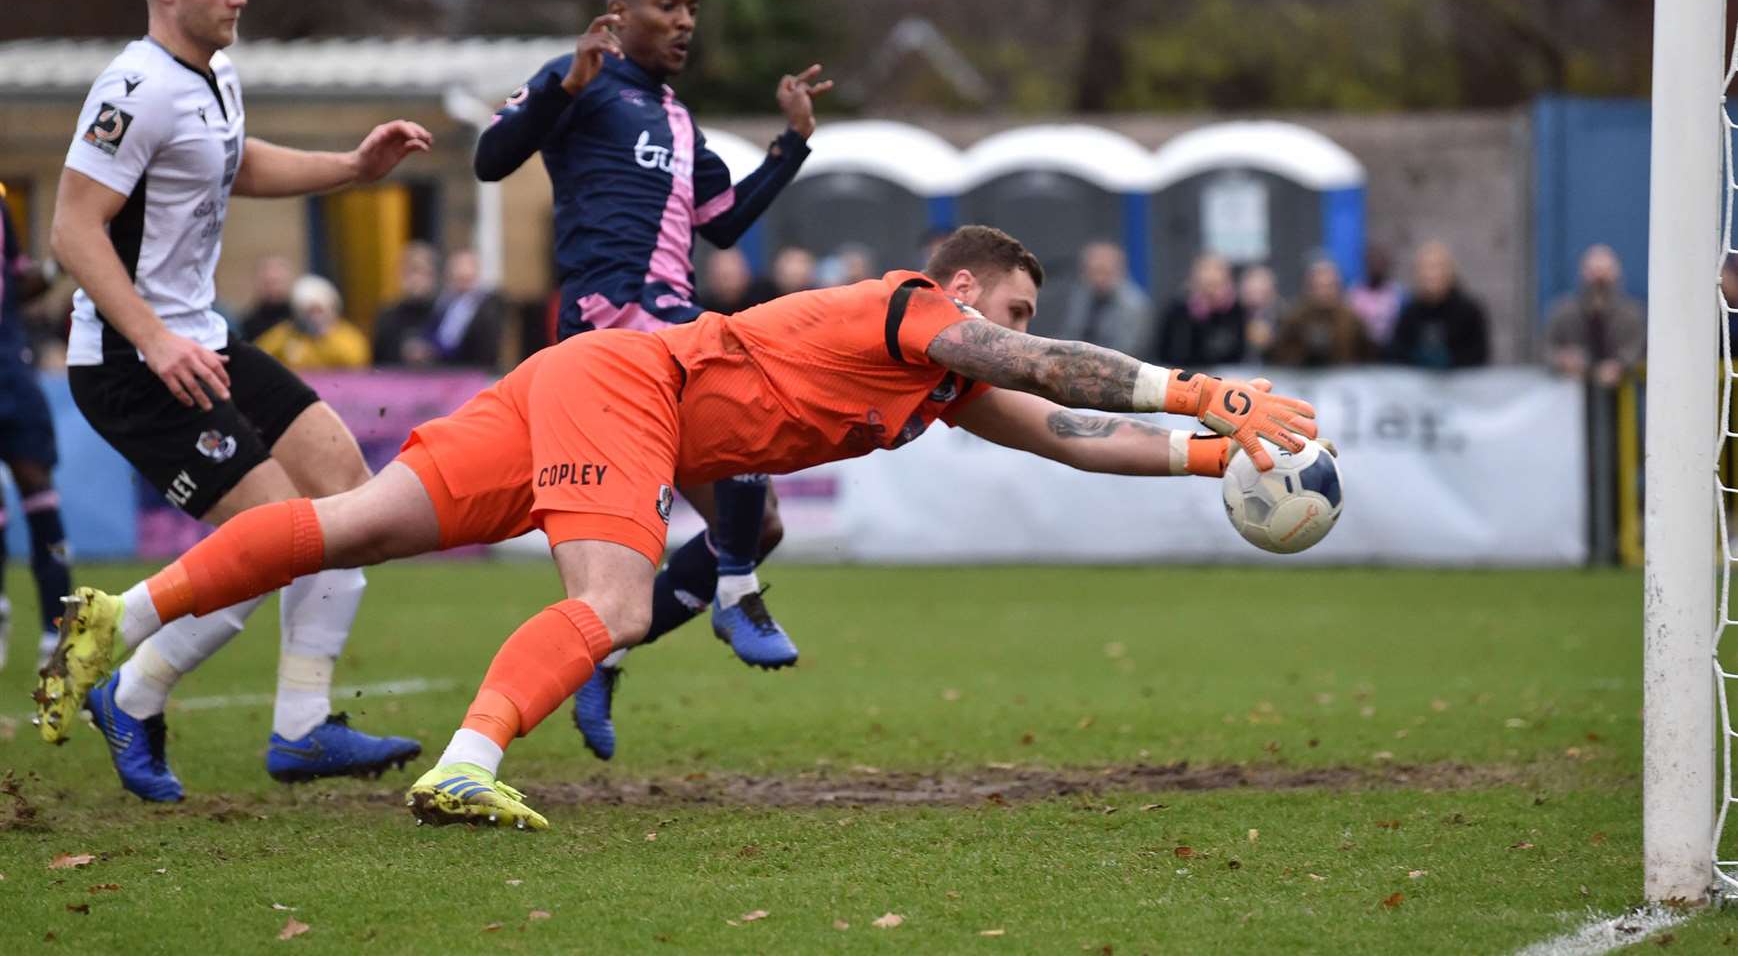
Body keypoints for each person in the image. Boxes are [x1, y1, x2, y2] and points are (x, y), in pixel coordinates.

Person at [38, 225, 1319, 830]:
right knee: (616, 603)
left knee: (348, 525)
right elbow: (1042, 366)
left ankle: (121, 615)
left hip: (574, 383)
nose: (1014, 330)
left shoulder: (947, 387)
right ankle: (469, 764)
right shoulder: (914, 307)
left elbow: (1064, 431)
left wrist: (1219, 452)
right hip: (621, 388)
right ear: (968, 284)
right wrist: (1205, 383)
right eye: (1016, 304)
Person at [44, 0, 424, 800]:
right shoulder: (131, 88)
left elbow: (232, 162)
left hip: (206, 340)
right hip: (132, 364)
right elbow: (72, 227)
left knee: (350, 500)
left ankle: (302, 728)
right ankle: (134, 694)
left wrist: (352, 170)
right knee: (277, 537)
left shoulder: (214, 76)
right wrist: (153, 337)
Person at [472, 0, 830, 761]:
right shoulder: (580, 79)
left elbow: (722, 222)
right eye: (668, 4)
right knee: (743, 422)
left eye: (693, 8)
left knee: (759, 520)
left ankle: (611, 658)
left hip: (669, 325)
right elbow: (492, 161)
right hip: (610, 332)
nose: (684, 22)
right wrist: (565, 84)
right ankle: (734, 593)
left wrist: (792, 144)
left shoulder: (675, 116)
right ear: (618, 13)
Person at [0, 187, 74, 673]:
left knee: (39, 490)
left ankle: (56, 630)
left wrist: (56, 267)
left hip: (10, 369)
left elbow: (17, 278)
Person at [1543, 244, 1645, 387]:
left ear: (1617, 273)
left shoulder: (1633, 313)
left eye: (1605, 271)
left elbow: (1639, 348)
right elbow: (1545, 348)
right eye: (1594, 271)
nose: (1599, 278)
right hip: (1572, 392)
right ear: (1583, 272)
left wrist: (1620, 365)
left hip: (1623, 394)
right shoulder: (1562, 311)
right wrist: (1563, 359)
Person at [1387, 242, 1490, 369]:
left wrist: (1451, 361)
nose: (1431, 274)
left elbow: (1479, 354)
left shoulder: (1469, 311)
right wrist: (1416, 359)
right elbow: (1395, 352)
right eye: (1426, 268)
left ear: (1450, 271)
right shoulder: (1410, 312)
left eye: (1437, 267)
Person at [1267, 259, 1374, 368]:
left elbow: (1367, 358)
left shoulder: (1351, 320)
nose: (1324, 293)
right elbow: (1280, 357)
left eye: (1329, 286)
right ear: (1309, 288)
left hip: (1344, 377)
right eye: (1318, 287)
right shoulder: (1294, 319)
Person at [254, 274, 371, 371]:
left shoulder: (348, 337)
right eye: (309, 311)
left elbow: (357, 363)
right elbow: (258, 357)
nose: (315, 317)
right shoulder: (284, 335)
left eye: (319, 310)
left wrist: (326, 337)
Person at [1057, 240, 1152, 356]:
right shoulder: (1082, 296)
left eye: (1103, 271)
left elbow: (1125, 352)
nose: (1097, 278)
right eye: (1091, 271)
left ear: (1119, 271)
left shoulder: (1133, 305)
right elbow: (1070, 334)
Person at [1153, 253, 1245, 367]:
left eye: (1216, 284)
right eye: (1206, 270)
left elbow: (1240, 353)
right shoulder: (1179, 310)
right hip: (1188, 375)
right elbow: (1167, 352)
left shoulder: (1237, 310)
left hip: (1228, 376)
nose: (1211, 276)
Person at [428, 248, 504, 369]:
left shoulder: (489, 306)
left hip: (474, 371)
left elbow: (488, 346)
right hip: (443, 370)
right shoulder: (443, 302)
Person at [372, 242, 441, 367]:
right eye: (411, 271)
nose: (416, 279)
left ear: (433, 277)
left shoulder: (445, 314)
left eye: (423, 272)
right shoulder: (388, 316)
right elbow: (377, 363)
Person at [1346, 242, 1403, 349]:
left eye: (1379, 261)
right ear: (1365, 263)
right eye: (1372, 261)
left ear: (1387, 264)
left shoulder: (1397, 295)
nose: (1375, 266)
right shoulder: (1353, 294)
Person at [697, 247, 776, 315]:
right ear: (711, 279)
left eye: (732, 275)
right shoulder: (702, 310)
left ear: (745, 273)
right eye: (723, 277)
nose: (728, 285)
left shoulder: (766, 297)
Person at [238, 254, 294, 341]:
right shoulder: (249, 323)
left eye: (276, 282)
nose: (273, 288)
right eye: (268, 283)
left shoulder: (298, 319)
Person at [1238, 264, 1280, 363]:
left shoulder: (1284, 316)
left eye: (1261, 285)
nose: (1256, 290)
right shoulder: (1233, 315)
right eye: (1252, 287)